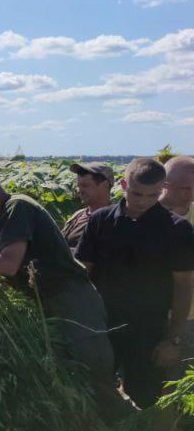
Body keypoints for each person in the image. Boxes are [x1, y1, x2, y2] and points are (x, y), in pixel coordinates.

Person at [0, 158, 127, 422]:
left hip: (73, 301)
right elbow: (2, 271)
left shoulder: (17, 207)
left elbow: (8, 264)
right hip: (48, 304)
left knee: (93, 372)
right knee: (69, 378)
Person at [75, 158, 194, 409]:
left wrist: (171, 339)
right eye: (137, 193)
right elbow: (83, 272)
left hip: (149, 331)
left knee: (145, 398)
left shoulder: (177, 229)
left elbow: (184, 286)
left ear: (162, 189)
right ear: (123, 185)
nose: (143, 201)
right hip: (101, 326)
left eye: (152, 195)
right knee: (93, 393)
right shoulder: (101, 221)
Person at [161, 155, 194, 378]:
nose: (191, 194)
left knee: (182, 383)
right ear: (165, 185)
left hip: (191, 317)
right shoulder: (146, 215)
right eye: (185, 188)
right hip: (155, 315)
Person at [62, 162, 115, 249]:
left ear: (105, 185)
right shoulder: (77, 215)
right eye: (79, 186)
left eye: (85, 186)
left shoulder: (114, 221)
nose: (80, 191)